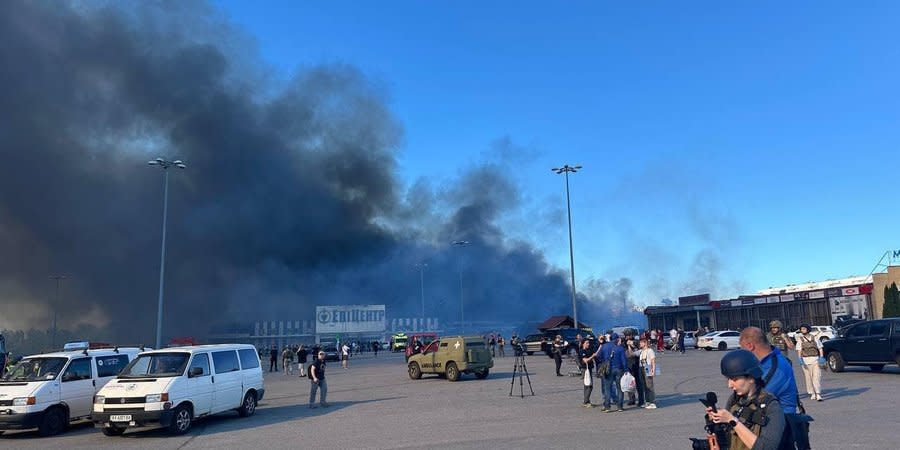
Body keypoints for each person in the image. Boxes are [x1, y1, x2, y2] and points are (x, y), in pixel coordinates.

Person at [706, 349, 785, 450]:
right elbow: (729, 438)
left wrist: (732, 420)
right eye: (728, 379)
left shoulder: (772, 406)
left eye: (734, 379)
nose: (729, 385)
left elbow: (766, 447)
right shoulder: (735, 400)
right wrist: (716, 419)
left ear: (751, 378)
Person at [597, 332, 627, 412]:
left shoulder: (604, 347)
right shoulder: (620, 348)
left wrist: (604, 361)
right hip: (619, 369)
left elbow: (598, 356)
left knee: (607, 388)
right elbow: (624, 361)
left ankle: (607, 407)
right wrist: (626, 370)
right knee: (620, 388)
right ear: (617, 339)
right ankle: (620, 406)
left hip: (608, 369)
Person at [795, 325, 825, 401]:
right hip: (805, 360)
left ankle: (818, 394)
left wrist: (821, 357)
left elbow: (820, 348)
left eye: (804, 329)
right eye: (801, 329)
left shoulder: (814, 338)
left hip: (815, 359)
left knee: (816, 377)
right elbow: (799, 350)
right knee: (808, 378)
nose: (802, 330)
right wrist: (800, 358)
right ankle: (812, 393)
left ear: (808, 329)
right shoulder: (800, 339)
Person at [625, 337, 644, 407]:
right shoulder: (625, 345)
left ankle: (641, 400)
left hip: (637, 367)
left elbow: (631, 354)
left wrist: (631, 344)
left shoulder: (637, 345)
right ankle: (631, 399)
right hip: (629, 367)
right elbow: (628, 355)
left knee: (639, 384)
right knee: (630, 384)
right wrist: (628, 345)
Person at [638, 338, 657, 409]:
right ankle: (647, 401)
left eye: (641, 343)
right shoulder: (641, 351)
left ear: (645, 343)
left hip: (647, 367)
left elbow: (653, 361)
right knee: (644, 386)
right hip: (641, 368)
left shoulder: (650, 351)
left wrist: (653, 370)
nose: (640, 344)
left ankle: (653, 402)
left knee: (649, 385)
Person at [579, 339, 595, 408]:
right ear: (583, 344)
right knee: (589, 385)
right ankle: (586, 401)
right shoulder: (582, 351)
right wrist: (592, 356)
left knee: (587, 385)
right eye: (587, 343)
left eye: (588, 343)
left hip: (589, 369)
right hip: (585, 370)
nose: (588, 344)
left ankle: (587, 400)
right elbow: (585, 360)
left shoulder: (589, 350)